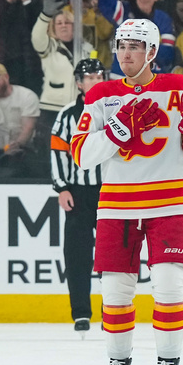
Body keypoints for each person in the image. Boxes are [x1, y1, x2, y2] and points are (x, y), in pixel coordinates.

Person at [70, 18, 183, 365]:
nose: (126, 53)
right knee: (116, 291)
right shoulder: (101, 95)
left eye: (135, 46)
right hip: (117, 204)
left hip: (169, 200)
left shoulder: (180, 88)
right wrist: (120, 128)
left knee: (169, 284)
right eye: (121, 45)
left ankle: (168, 364)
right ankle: (119, 364)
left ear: (152, 52)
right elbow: (81, 155)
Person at [50, 58, 106, 335]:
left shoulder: (117, 111)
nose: (95, 82)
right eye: (90, 78)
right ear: (79, 84)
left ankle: (114, 311)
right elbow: (58, 151)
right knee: (77, 255)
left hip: (110, 192)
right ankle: (81, 313)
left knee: (112, 256)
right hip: (78, 192)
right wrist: (62, 187)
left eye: (99, 77)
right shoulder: (67, 115)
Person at [32, 0, 93, 129]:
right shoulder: (49, 46)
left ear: (74, 26)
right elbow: (37, 37)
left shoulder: (86, 48)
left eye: (67, 22)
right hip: (53, 109)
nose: (63, 25)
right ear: (53, 27)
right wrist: (46, 15)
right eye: (59, 23)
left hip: (80, 107)